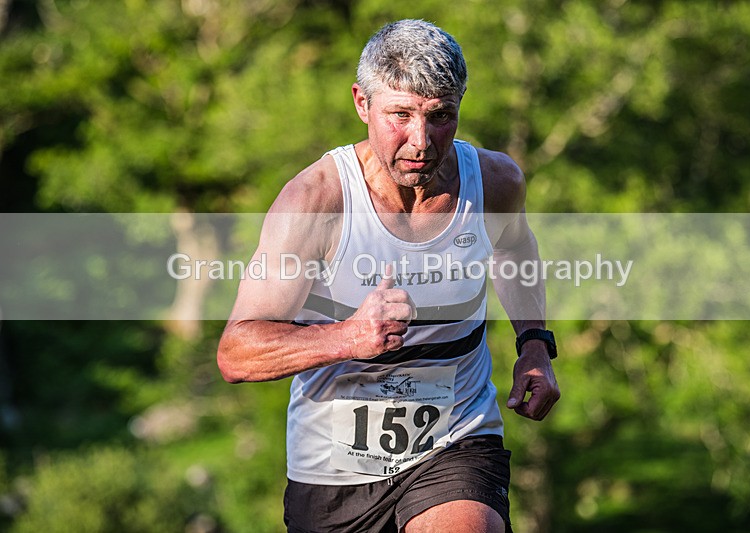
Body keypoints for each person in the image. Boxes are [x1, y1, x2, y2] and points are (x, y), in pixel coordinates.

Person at [217, 19, 560, 533]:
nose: (421, 141)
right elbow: (237, 353)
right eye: (399, 115)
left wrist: (533, 343)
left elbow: (514, 252)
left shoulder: (494, 184)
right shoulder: (315, 203)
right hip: (333, 472)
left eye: (441, 116)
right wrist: (346, 337)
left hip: (455, 440)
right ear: (362, 104)